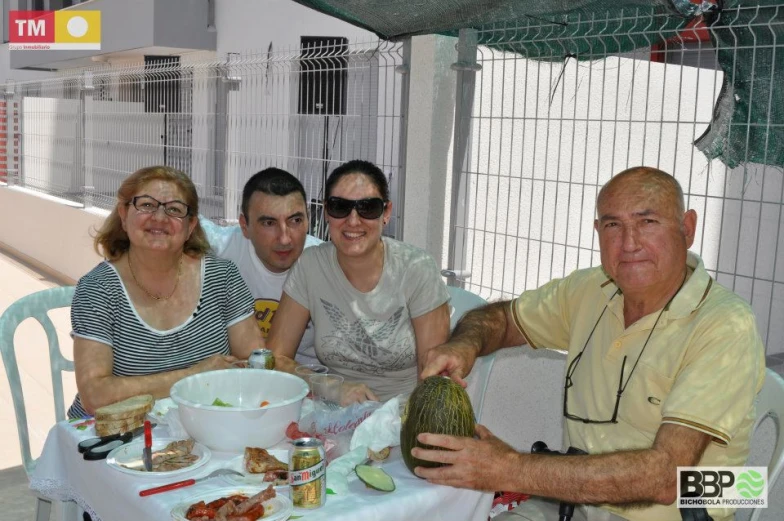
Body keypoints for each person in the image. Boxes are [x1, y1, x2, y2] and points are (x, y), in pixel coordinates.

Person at [413, 167, 765, 521]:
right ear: (598, 232)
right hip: (576, 498)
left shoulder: (726, 324)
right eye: (613, 225)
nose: (629, 243)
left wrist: (509, 467)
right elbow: (503, 319)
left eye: (648, 222)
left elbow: (666, 477)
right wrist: (465, 345)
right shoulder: (591, 290)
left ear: (686, 228)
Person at [68, 166, 263, 418]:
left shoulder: (222, 276)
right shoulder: (98, 289)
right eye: (147, 205)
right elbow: (95, 396)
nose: (159, 217)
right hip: (113, 435)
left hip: (202, 425)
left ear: (191, 225)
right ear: (124, 215)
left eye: (174, 209)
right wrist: (193, 376)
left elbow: (255, 363)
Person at [267, 159, 451, 404]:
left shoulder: (416, 269)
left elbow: (433, 382)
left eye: (368, 208)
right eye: (339, 207)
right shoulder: (310, 266)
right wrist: (329, 386)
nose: (353, 221)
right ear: (326, 212)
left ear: (386, 213)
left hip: (403, 418)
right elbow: (274, 359)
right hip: (332, 413)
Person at [200, 168, 321, 365]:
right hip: (236, 378)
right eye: (268, 223)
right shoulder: (220, 249)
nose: (284, 238)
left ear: (308, 220)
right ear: (244, 226)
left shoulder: (324, 264)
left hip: (309, 381)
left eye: (295, 220)